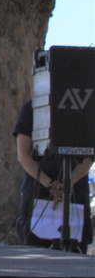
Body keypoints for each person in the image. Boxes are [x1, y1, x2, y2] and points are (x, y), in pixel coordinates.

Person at [13, 100, 93, 253]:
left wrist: (66, 185)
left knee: (75, 257)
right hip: (38, 193)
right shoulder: (32, 108)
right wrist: (50, 184)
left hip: (74, 196)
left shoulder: (84, 107)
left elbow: (89, 155)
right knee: (35, 255)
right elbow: (23, 155)